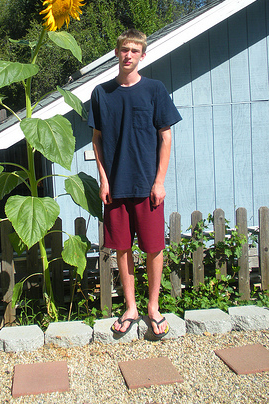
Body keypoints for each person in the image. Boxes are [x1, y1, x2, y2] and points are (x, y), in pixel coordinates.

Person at [88, 29, 182, 338]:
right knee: (123, 248)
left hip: (147, 186)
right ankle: (131, 308)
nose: (128, 54)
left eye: (134, 50)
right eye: (124, 49)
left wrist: (160, 181)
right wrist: (103, 180)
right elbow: (97, 140)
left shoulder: (155, 90)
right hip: (115, 187)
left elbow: (165, 137)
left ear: (142, 55)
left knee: (154, 248)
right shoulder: (101, 93)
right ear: (116, 53)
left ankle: (153, 307)